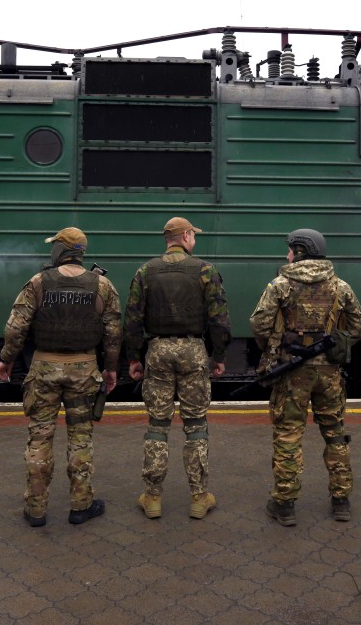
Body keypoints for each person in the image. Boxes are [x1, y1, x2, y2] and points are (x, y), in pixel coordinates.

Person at [0, 227, 121, 526]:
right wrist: (111, 368)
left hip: (43, 370)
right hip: (84, 370)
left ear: (62, 250)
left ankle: (36, 509)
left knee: (40, 437)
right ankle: (81, 505)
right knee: (80, 438)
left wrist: (6, 360)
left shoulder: (38, 282)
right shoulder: (102, 285)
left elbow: (16, 328)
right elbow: (114, 333)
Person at [250, 229, 361, 526]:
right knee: (335, 433)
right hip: (330, 374)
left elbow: (260, 324)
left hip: (291, 371)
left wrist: (275, 347)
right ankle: (341, 502)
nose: (287, 254)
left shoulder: (279, 285)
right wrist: (333, 346)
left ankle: (285, 505)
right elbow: (356, 327)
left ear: (299, 251)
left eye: (290, 249)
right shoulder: (341, 286)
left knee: (289, 435)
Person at [124, 217, 230, 520]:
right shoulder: (205, 270)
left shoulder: (146, 271)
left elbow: (132, 320)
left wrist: (134, 357)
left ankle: (153, 497)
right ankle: (199, 498)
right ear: (185, 236)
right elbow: (219, 319)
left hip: (157, 350)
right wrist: (219, 355)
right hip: (193, 350)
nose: (193, 239)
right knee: (196, 425)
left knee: (157, 425)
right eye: (192, 235)